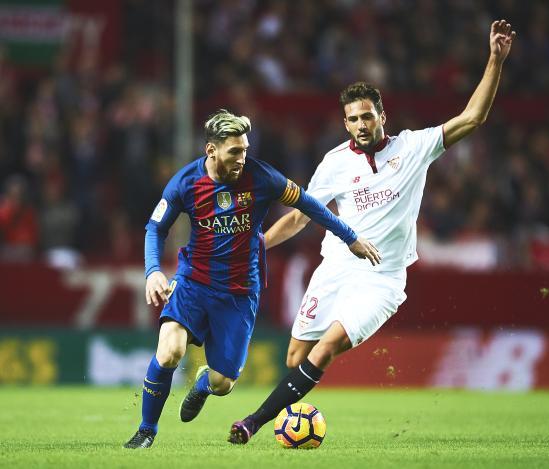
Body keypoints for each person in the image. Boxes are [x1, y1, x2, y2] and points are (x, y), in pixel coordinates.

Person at [228, 20, 515, 444]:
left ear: (383, 116)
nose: (361, 125)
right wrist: (260, 244)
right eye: (353, 119)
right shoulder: (335, 162)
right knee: (296, 355)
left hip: (382, 278)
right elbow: (301, 215)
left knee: (323, 350)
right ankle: (292, 416)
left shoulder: (414, 148)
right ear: (345, 125)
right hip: (337, 267)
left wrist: (494, 59)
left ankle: (251, 423)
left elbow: (472, 118)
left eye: (367, 116)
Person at [123, 109, 380, 449]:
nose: (242, 158)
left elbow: (310, 205)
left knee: (222, 383)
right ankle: (146, 431)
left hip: (240, 292)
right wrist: (154, 271)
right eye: (234, 152)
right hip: (193, 282)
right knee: (170, 351)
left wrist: (351, 238)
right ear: (211, 151)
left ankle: (202, 385)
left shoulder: (262, 178)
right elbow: (156, 227)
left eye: (245, 150)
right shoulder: (185, 183)